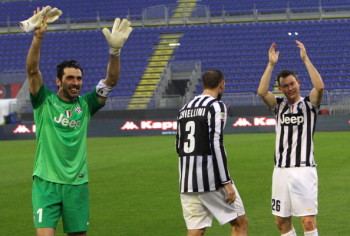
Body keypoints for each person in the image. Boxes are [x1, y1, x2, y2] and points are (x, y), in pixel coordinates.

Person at [25, 7, 132, 236]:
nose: (76, 83)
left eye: (79, 79)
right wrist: (38, 37)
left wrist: (115, 51)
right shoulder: (43, 101)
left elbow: (111, 80)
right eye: (70, 78)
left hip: (77, 184)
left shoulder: (86, 104)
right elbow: (32, 70)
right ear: (58, 81)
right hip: (46, 183)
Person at [257, 41, 324, 236]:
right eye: (285, 86)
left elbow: (319, 87)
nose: (289, 88)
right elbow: (261, 92)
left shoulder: (309, 105)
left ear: (298, 83)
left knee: (308, 221)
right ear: (281, 89)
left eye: (292, 84)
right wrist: (271, 64)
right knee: (281, 221)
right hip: (280, 171)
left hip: (303, 169)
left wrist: (305, 59)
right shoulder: (278, 106)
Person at [176, 69, 248, 236]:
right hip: (210, 180)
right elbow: (215, 143)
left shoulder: (184, 108)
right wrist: (226, 182)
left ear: (203, 84)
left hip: (186, 180)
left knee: (196, 230)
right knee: (240, 222)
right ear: (221, 85)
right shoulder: (216, 106)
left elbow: (178, 145)